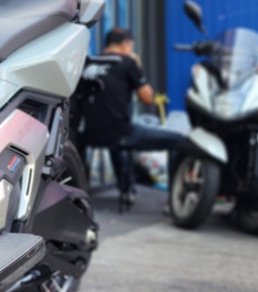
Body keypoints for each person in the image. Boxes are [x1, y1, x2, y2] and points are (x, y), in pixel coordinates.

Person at [78, 27, 184, 208]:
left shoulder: (88, 63)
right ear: (126, 44)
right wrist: (137, 66)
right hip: (119, 134)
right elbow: (148, 98)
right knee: (178, 140)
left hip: (87, 135)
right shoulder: (127, 62)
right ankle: (175, 199)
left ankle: (125, 188)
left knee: (115, 136)